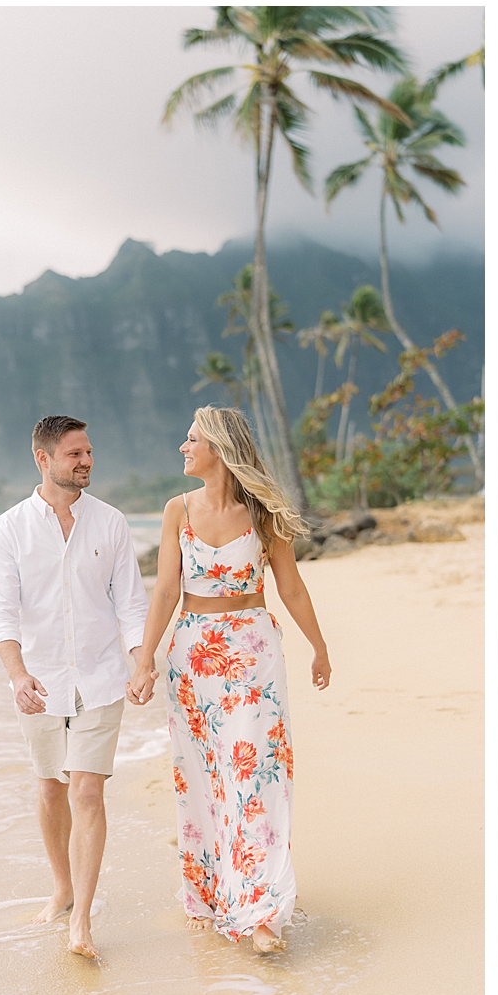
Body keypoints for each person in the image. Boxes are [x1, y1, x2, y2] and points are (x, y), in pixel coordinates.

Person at [127, 406, 330, 953]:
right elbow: (166, 590)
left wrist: (319, 646)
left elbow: (290, 588)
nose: (182, 447)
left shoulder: (264, 513)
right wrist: (145, 658)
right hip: (193, 658)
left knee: (254, 772)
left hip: (252, 654)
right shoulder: (177, 510)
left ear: (217, 447)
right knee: (202, 776)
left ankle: (260, 911)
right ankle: (215, 891)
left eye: (190, 439)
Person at [0, 414, 149, 961]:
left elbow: (131, 604)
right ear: (44, 459)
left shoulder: (111, 523)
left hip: (103, 677)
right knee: (51, 788)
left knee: (86, 789)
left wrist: (141, 662)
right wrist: (17, 676)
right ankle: (62, 886)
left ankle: (82, 918)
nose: (86, 462)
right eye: (75, 454)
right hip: (39, 681)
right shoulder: (9, 529)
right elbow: (3, 616)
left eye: (88, 452)